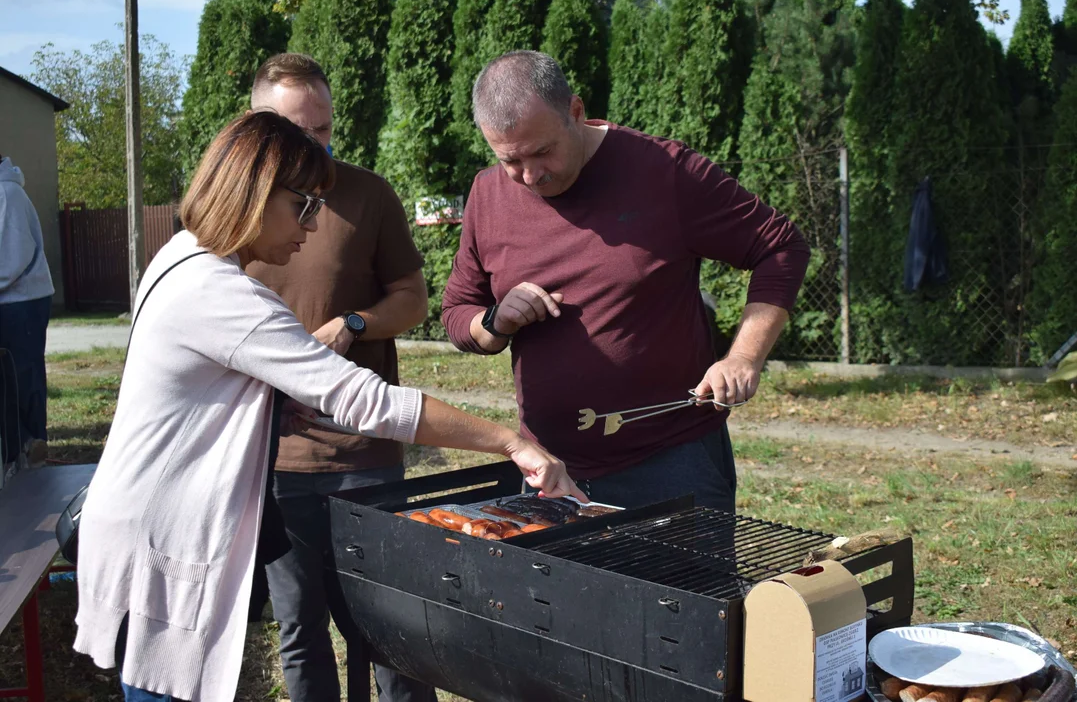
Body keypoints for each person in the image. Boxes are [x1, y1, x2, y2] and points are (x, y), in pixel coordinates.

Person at [72, 110, 584, 702]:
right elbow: (363, 400)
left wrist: (263, 411)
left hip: (135, 519)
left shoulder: (180, 255)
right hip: (164, 534)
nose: (312, 227)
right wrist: (511, 440)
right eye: (304, 206)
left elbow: (193, 392)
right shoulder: (224, 296)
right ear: (257, 194)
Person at [441, 51, 810, 513]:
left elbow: (779, 247)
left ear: (575, 111)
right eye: (511, 160)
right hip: (550, 469)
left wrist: (742, 357)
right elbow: (457, 312)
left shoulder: (664, 171)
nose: (531, 176)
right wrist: (496, 322)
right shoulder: (487, 194)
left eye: (543, 151)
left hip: (672, 462)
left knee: (682, 589)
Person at [244, 53, 435, 702]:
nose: (314, 145)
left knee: (391, 626)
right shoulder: (227, 217)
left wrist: (354, 322)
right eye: (297, 131)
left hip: (364, 451)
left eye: (323, 129)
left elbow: (413, 299)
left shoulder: (367, 194)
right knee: (300, 628)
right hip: (275, 459)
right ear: (254, 125)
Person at [0, 152, 54, 464]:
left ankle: (33, 445)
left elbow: (12, 260)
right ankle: (19, 445)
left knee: (23, 376)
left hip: (22, 300)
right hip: (10, 300)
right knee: (7, 380)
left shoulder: (8, 193)